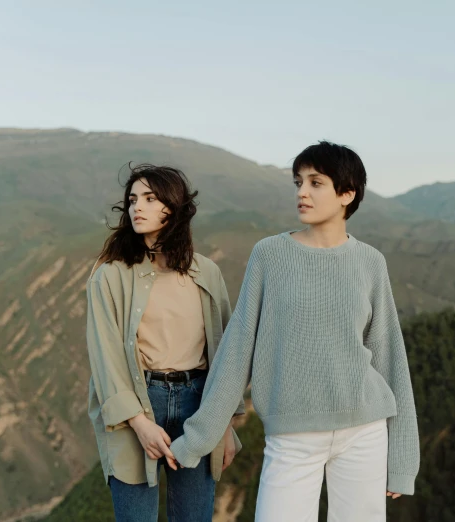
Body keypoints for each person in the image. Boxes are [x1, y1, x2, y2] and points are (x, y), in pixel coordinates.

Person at [170, 142, 420, 521]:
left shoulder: (370, 261)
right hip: (292, 437)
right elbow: (237, 350)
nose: (301, 192)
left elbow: (388, 355)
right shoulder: (269, 255)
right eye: (298, 181)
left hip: (363, 431)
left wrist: (402, 460)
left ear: (347, 194)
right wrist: (201, 435)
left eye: (316, 182)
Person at [85, 164, 245, 522]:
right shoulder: (110, 276)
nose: (136, 207)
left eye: (149, 198)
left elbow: (224, 351)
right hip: (138, 407)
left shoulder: (206, 272)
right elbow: (105, 358)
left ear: (173, 208)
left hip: (198, 404)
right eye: (132, 200)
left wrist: (226, 423)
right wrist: (140, 424)